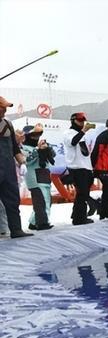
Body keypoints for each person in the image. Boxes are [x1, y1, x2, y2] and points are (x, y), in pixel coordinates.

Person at [0, 96, 32, 238]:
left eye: (5, 108)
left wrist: (22, 162)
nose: (4, 111)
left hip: (7, 169)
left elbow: (15, 147)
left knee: (13, 199)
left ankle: (16, 229)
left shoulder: (8, 124)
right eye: (2, 108)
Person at [63, 112, 95, 226]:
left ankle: (78, 215)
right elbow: (73, 142)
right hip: (76, 167)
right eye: (79, 120)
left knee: (84, 193)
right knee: (82, 193)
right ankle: (79, 218)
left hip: (85, 167)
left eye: (83, 121)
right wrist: (83, 131)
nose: (82, 123)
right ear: (73, 121)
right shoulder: (68, 133)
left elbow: (85, 152)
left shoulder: (81, 134)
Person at [22, 124, 55, 230]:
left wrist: (47, 148)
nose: (37, 137)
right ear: (27, 136)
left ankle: (33, 223)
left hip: (44, 174)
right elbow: (26, 160)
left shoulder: (42, 144)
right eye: (34, 134)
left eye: (39, 134)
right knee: (41, 201)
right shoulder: (23, 147)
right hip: (34, 177)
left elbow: (53, 155)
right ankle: (42, 223)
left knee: (47, 201)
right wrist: (37, 150)